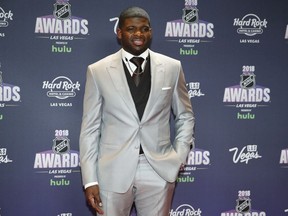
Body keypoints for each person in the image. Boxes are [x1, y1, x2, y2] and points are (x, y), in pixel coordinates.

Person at [79, 6, 195, 216]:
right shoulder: (97, 71)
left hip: (159, 169)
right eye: (131, 29)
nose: (139, 34)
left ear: (150, 31)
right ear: (120, 33)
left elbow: (185, 115)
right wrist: (90, 180)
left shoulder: (172, 67)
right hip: (112, 171)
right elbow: (90, 128)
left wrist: (179, 156)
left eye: (144, 29)